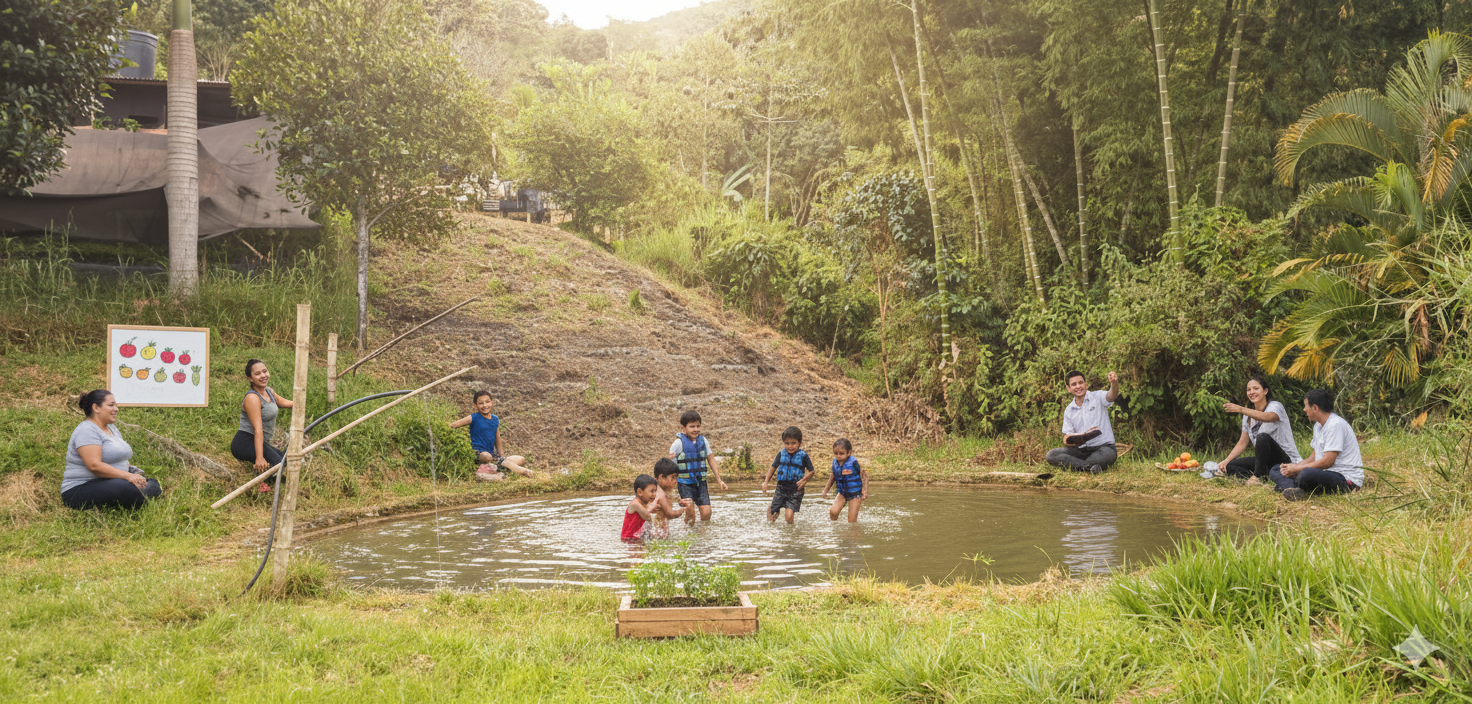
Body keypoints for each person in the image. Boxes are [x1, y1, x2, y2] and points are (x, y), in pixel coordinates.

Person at [62, 390, 163, 510]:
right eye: (111, 405)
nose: (116, 409)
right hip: (80, 488)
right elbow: (94, 465)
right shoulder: (87, 430)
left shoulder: (111, 428)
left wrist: (130, 470)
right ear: (96, 408)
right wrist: (128, 476)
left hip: (111, 481)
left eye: (116, 405)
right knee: (125, 488)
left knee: (153, 483)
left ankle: (139, 494)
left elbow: (117, 457)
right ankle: (138, 495)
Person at [1270, 389, 1364, 501]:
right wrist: (1294, 467)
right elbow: (1314, 457)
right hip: (1325, 474)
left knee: (1306, 474)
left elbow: (1328, 461)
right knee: (1276, 469)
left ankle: (1288, 486)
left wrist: (1298, 469)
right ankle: (1296, 489)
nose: (1304, 409)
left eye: (1306, 406)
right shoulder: (1318, 426)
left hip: (1344, 479)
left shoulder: (1335, 424)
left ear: (1315, 407)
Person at [1214, 376, 1301, 483]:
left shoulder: (1275, 406)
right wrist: (1226, 461)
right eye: (1248, 390)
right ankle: (1264, 476)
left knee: (1262, 437)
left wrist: (1241, 409)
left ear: (1265, 391)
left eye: (1256, 388)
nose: (1251, 392)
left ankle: (1257, 476)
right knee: (1229, 466)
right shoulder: (1247, 416)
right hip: (1264, 461)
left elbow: (1268, 417)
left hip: (1285, 459)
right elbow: (1242, 443)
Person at [230, 359, 295, 493]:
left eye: (265, 371)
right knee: (277, 464)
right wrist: (259, 458)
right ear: (250, 378)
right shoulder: (252, 398)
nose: (263, 375)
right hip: (244, 442)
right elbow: (258, 429)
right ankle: (258, 484)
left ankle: (267, 479)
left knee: (284, 460)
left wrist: (301, 401)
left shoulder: (269, 392)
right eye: (257, 374)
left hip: (259, 441)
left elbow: (287, 403)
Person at [1044, 370, 1121, 473]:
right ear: (1068, 388)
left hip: (1104, 448)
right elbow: (1069, 438)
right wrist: (1071, 439)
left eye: (1080, 383)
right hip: (1081, 450)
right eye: (1074, 384)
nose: (1078, 386)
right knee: (1051, 455)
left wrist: (1114, 383)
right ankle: (1089, 467)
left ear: (1086, 384)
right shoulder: (1069, 410)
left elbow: (1112, 395)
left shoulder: (1098, 397)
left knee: (1106, 455)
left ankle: (1079, 466)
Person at [449, 391, 531, 479]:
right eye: (481, 403)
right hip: (479, 453)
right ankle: (500, 471)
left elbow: (497, 438)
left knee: (520, 458)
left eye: (487, 402)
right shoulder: (473, 417)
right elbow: (453, 425)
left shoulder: (495, 419)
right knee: (486, 456)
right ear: (475, 405)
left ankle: (504, 467)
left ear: (492, 402)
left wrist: (501, 456)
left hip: (492, 454)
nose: (485, 405)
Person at [667, 410, 727, 523]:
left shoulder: (703, 441)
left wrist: (719, 480)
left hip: (700, 482)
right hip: (684, 483)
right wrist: (671, 486)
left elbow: (711, 459)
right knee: (690, 511)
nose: (696, 429)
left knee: (706, 513)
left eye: (698, 426)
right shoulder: (678, 444)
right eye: (692, 426)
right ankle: (687, 529)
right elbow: (670, 467)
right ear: (683, 428)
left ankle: (702, 532)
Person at [762, 426, 815, 524]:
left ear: (799, 443)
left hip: (796, 490)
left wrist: (804, 480)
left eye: (793, 443)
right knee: (771, 513)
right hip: (781, 488)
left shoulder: (803, 456)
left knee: (789, 517)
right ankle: (771, 527)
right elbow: (772, 467)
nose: (790, 446)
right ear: (784, 443)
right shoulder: (781, 454)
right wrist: (766, 482)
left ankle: (791, 531)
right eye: (787, 443)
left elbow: (811, 471)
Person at [822, 438, 868, 523]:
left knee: (851, 521)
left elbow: (864, 475)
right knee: (833, 513)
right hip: (842, 492)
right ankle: (836, 529)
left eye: (841, 453)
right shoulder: (835, 462)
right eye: (835, 453)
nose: (838, 456)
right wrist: (826, 490)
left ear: (849, 452)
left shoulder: (854, 463)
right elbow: (833, 476)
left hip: (855, 493)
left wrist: (865, 490)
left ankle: (854, 531)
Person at [650, 458, 693, 534]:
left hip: (659, 529)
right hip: (656, 532)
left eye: (676, 477)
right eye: (673, 477)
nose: (675, 481)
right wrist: (684, 509)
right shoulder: (659, 493)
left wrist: (683, 502)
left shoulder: (667, 490)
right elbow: (670, 514)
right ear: (661, 478)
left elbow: (676, 499)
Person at [622, 474, 658, 542]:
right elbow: (647, 517)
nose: (654, 494)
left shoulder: (644, 504)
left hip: (636, 538)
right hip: (629, 539)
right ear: (640, 492)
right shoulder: (635, 504)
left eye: (655, 491)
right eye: (652, 491)